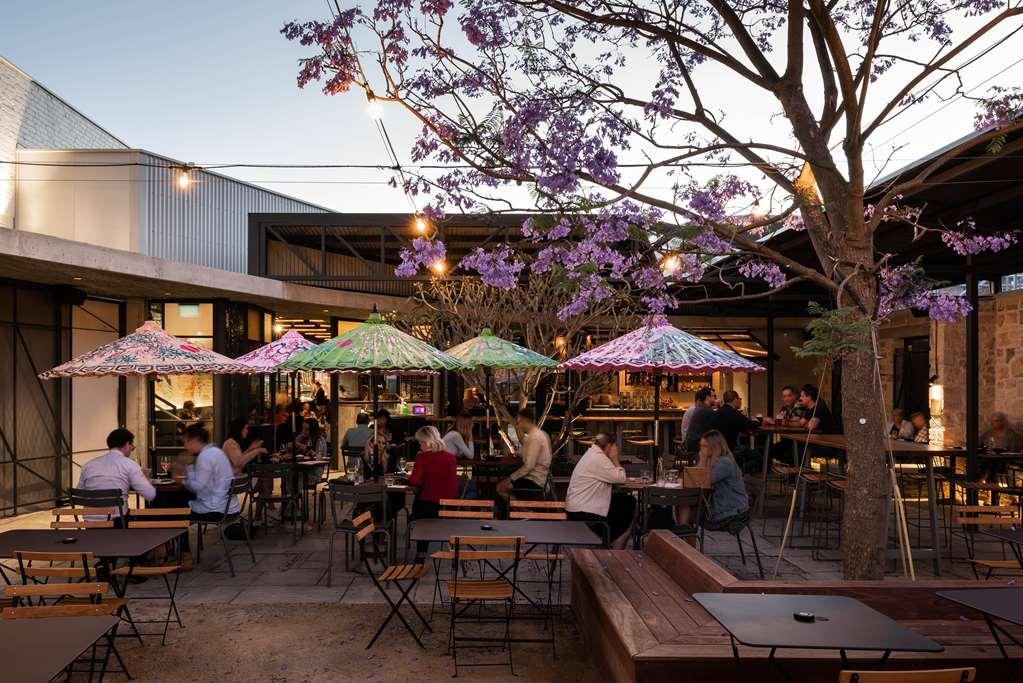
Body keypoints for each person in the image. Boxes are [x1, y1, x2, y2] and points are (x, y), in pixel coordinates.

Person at [172, 424, 238, 568]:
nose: (185, 445)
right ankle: (169, 551)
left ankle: (184, 556)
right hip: (228, 505)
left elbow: (197, 487)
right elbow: (205, 481)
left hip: (215, 509)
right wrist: (188, 469)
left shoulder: (205, 457)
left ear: (195, 440)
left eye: (186, 441)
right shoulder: (216, 452)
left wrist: (181, 479)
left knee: (175, 511)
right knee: (179, 501)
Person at [566, 432, 634, 548]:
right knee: (630, 502)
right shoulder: (599, 458)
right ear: (609, 446)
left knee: (623, 501)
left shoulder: (591, 454)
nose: (616, 449)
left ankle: (612, 540)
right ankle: (616, 542)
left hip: (577, 509)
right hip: (584, 512)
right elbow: (620, 478)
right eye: (615, 446)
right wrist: (615, 459)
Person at [77, 428, 156, 522]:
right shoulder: (129, 464)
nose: (132, 448)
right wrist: (145, 479)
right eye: (131, 445)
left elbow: (79, 495)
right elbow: (150, 494)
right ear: (127, 444)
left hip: (90, 522)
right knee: (150, 518)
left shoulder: (88, 465)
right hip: (118, 522)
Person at [408, 425, 459, 555]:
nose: (420, 446)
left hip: (429, 507)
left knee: (416, 507)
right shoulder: (451, 457)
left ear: (427, 441)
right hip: (449, 507)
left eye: (420, 442)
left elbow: (415, 481)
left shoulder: (422, 457)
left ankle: (421, 555)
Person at [699, 430, 750, 530]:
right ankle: (680, 540)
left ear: (714, 447)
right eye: (701, 445)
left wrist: (702, 459)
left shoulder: (724, 463)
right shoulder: (717, 460)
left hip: (732, 513)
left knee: (691, 517)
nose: (701, 449)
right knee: (689, 514)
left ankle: (680, 541)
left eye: (704, 446)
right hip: (730, 509)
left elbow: (703, 481)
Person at [497, 408, 551, 499]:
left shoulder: (535, 438)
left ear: (525, 420)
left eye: (519, 421)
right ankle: (521, 510)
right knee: (504, 484)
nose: (518, 425)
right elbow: (522, 452)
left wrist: (510, 478)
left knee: (500, 488)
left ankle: (524, 511)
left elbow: (529, 466)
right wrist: (515, 454)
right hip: (536, 478)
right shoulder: (536, 435)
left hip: (535, 480)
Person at [709, 390, 761, 472]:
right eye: (739, 399)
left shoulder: (717, 412)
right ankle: (737, 471)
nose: (740, 401)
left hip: (715, 449)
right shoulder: (734, 413)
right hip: (730, 448)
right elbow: (750, 425)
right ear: (735, 399)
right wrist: (758, 421)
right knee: (758, 456)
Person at [683, 386, 718, 453]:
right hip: (697, 445)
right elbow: (716, 427)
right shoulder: (707, 410)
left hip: (691, 443)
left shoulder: (700, 408)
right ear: (708, 397)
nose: (715, 399)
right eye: (714, 396)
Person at [364, 408, 394, 478]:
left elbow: (389, 441)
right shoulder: (372, 427)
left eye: (384, 419)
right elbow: (369, 441)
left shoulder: (389, 428)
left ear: (387, 420)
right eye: (380, 418)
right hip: (372, 451)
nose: (381, 421)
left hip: (385, 451)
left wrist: (382, 435)